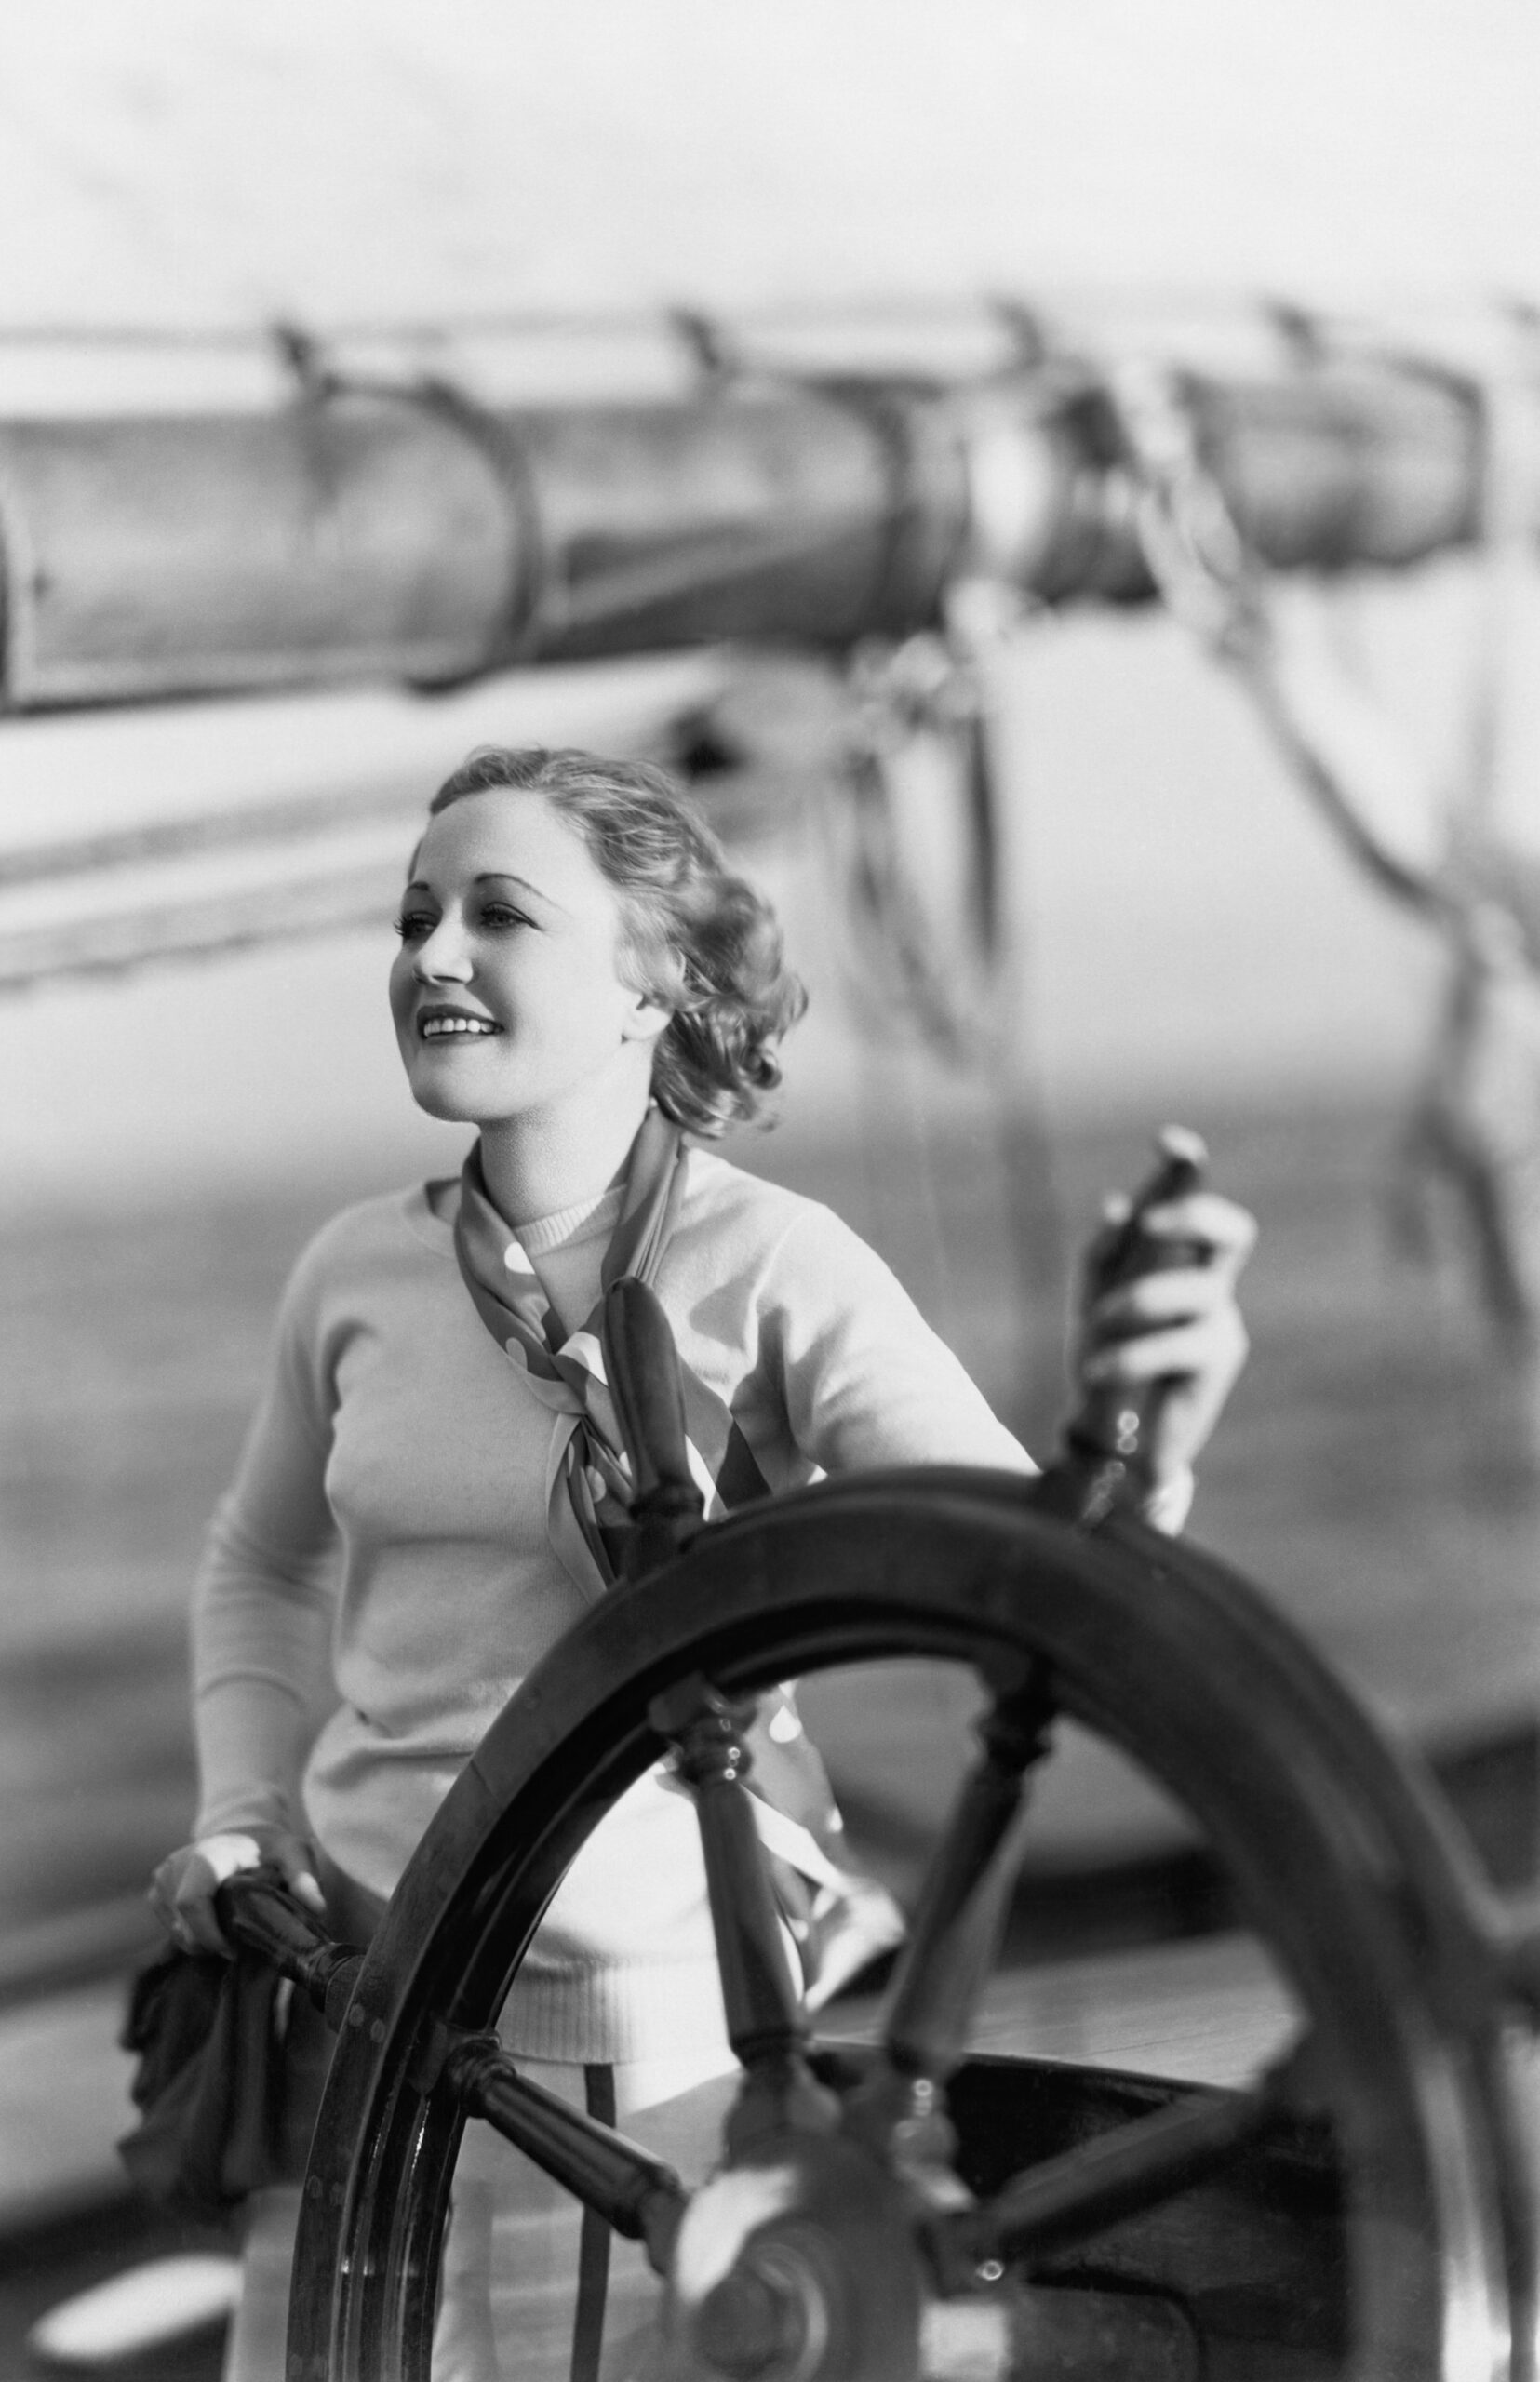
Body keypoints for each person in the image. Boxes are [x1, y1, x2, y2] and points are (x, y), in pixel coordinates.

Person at [150, 744, 1254, 2382]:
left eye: (498, 914)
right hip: (358, 2029)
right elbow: (257, 1566)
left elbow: (1022, 1577)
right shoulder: (352, 1276)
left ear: (648, 985)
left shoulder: (775, 1264)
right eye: (414, 916)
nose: (431, 955)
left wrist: (1149, 1451)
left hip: (637, 2079)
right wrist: (241, 1813)